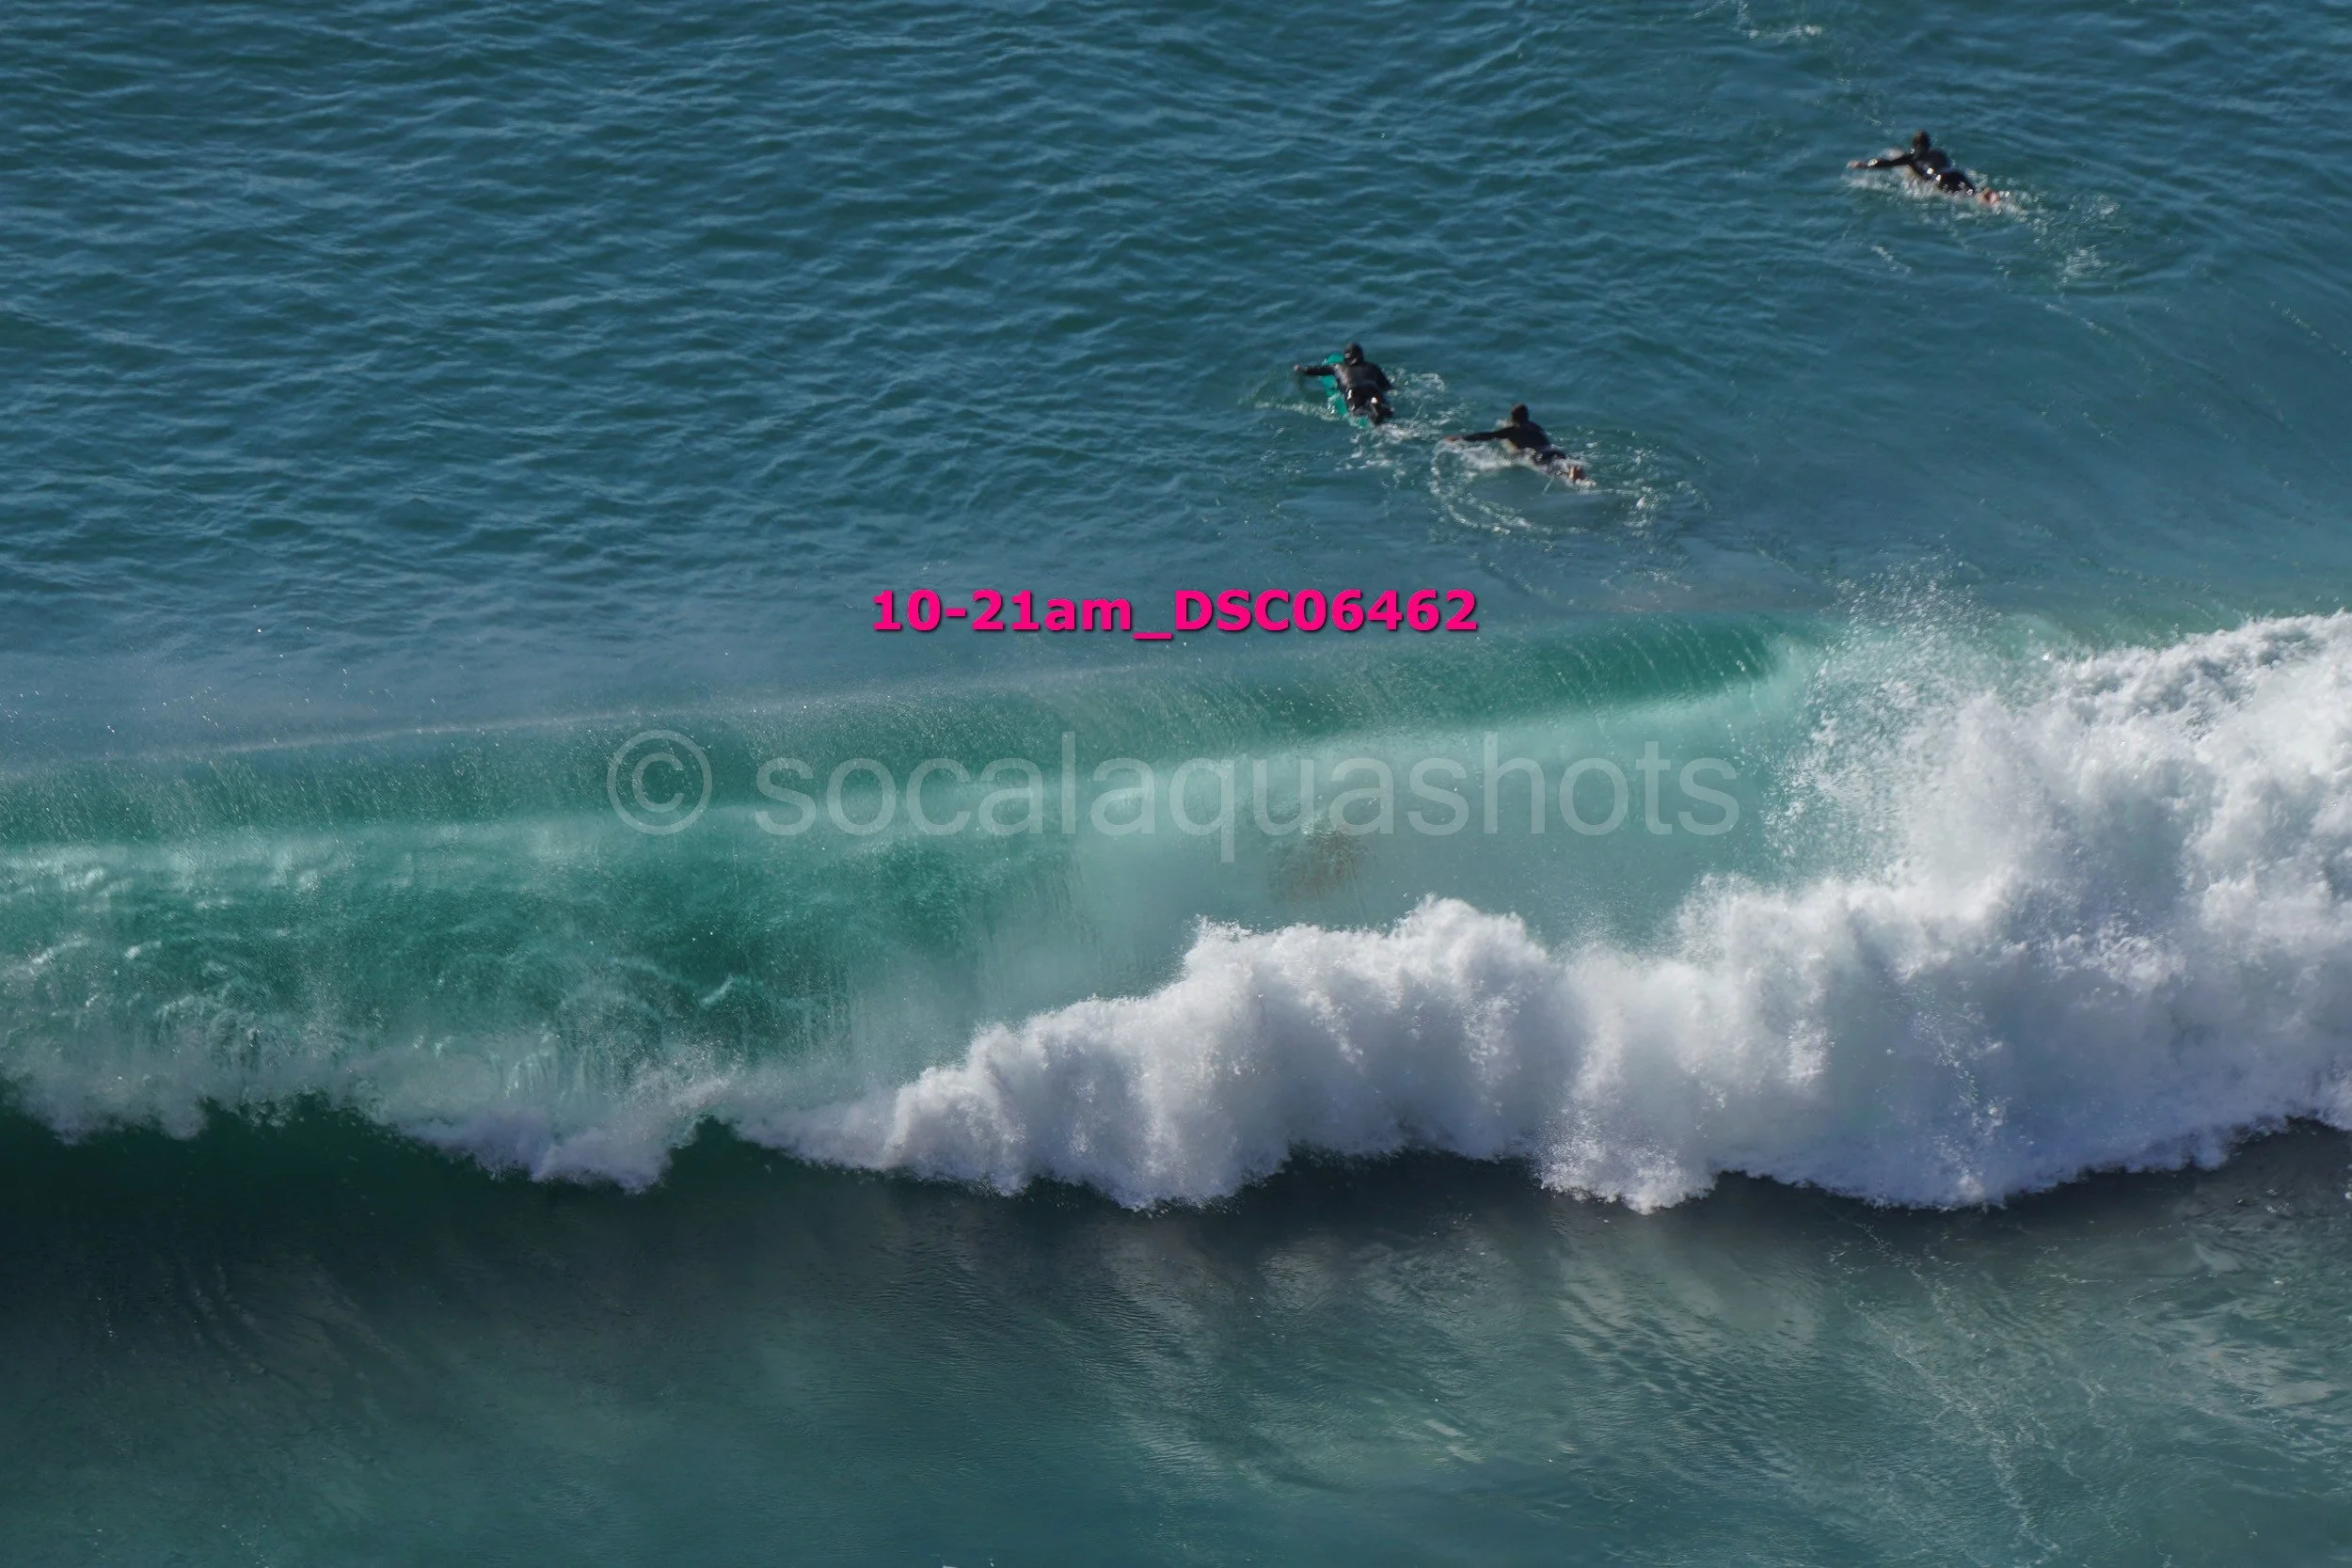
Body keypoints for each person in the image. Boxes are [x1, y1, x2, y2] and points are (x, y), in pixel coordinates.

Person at [1850, 130, 1999, 203]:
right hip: (1955, 173)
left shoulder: (1911, 156)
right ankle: (1989, 194)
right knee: (1974, 191)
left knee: (1968, 198)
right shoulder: (1939, 153)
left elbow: (1887, 163)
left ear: (1914, 145)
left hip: (1940, 178)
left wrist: (1864, 165)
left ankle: (1986, 201)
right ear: (1929, 144)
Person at [1445, 404, 1586, 480]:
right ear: (1527, 416)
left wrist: (1459, 438)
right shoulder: (1535, 426)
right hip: (1555, 451)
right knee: (1563, 465)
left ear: (1513, 418)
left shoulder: (1512, 429)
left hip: (1539, 455)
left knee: (1558, 474)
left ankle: (1572, 474)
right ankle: (1574, 470)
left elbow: (1485, 436)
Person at [1294, 341, 1393, 424]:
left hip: (1352, 390)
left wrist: (1301, 369)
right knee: (1383, 406)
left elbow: (1314, 371)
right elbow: (1387, 387)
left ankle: (1371, 414)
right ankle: (1379, 408)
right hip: (1371, 387)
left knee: (1355, 410)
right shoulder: (1373, 367)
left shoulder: (1336, 366)